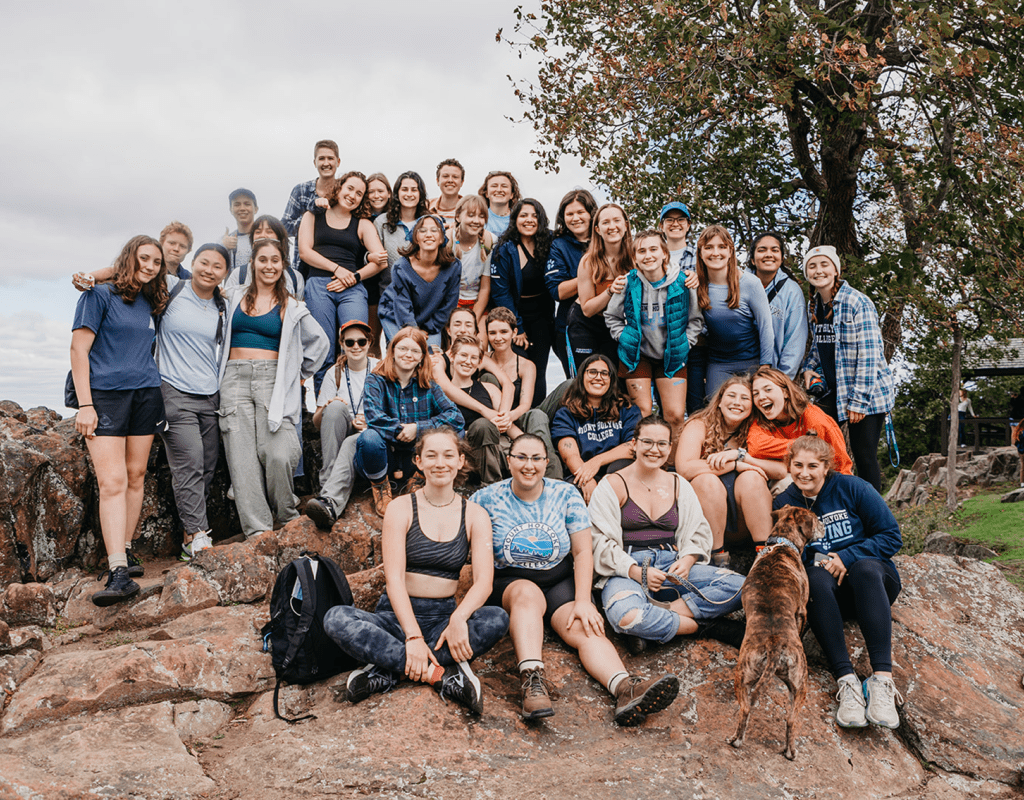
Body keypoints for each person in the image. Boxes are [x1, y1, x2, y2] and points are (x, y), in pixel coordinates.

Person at [472, 433, 680, 725]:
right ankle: (532, 682)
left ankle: (624, 687)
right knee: (527, 595)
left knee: (584, 625)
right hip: (510, 581)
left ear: (546, 462)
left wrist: (583, 600)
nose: (529, 465)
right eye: (521, 457)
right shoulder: (485, 499)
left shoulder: (565, 493)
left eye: (536, 458)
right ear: (509, 461)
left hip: (558, 579)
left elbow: (582, 552)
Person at [324, 427, 510, 715]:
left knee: (497, 618)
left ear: (460, 461)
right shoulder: (400, 508)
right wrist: (412, 637)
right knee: (336, 618)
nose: (440, 463)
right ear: (418, 461)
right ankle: (438, 674)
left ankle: (389, 668)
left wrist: (458, 618)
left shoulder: (475, 515)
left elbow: (484, 582)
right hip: (394, 619)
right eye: (431, 456)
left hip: (442, 622)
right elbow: (394, 579)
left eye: (448, 455)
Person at [73, 245, 233, 561]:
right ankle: (196, 536)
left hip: (208, 392)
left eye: (217, 266)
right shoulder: (172, 286)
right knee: (188, 461)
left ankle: (186, 535)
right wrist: (91, 276)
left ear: (225, 273)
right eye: (204, 262)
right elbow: (131, 270)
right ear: (193, 263)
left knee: (206, 464)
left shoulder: (223, 304)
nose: (209, 270)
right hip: (170, 389)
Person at [774, 434, 904, 730]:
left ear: (826, 466)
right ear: (788, 466)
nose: (804, 473)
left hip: (872, 585)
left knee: (864, 569)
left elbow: (890, 536)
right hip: (829, 595)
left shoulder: (854, 487)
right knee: (814, 579)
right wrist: (823, 562)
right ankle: (847, 682)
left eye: (812, 466)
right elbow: (790, 552)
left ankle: (882, 680)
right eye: (797, 465)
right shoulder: (785, 503)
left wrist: (847, 556)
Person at [589, 415, 746, 652]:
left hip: (673, 566)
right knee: (626, 617)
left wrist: (688, 559)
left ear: (670, 448)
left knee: (744, 587)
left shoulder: (678, 483)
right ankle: (707, 627)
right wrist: (635, 571)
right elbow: (598, 540)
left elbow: (698, 530)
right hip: (627, 568)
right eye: (647, 442)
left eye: (662, 443)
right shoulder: (613, 484)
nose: (655, 450)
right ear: (634, 444)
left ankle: (659, 617)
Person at [70, 235, 169, 605]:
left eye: (156, 261)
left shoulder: (151, 300)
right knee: (112, 482)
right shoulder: (97, 295)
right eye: (143, 258)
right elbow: (78, 349)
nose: (150, 266)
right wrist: (85, 405)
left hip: (146, 393)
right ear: (128, 258)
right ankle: (117, 573)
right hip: (105, 395)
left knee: (136, 475)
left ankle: (125, 553)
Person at [218, 238, 329, 539]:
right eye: (263, 259)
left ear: (283, 265)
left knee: (279, 453)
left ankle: (286, 515)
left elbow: (320, 343)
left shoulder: (292, 306)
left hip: (272, 380)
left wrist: (297, 374)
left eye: (275, 260)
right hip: (234, 378)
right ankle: (258, 531)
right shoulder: (232, 296)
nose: (269, 266)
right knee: (241, 459)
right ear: (252, 263)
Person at [802, 246, 895, 491]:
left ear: (836, 270)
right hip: (834, 390)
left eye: (824, 264)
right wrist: (808, 368)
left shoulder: (857, 302)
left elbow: (870, 354)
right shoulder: (815, 305)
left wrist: (859, 402)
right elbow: (819, 346)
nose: (818, 270)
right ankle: (831, 501)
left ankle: (873, 510)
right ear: (807, 273)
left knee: (864, 455)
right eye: (812, 266)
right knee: (815, 442)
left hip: (867, 393)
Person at [604, 229, 702, 443]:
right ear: (634, 258)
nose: (648, 255)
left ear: (664, 253)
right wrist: (624, 337)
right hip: (637, 355)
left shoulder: (683, 281)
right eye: (641, 251)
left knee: (675, 415)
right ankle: (642, 458)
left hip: (672, 353)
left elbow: (695, 320)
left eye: (653, 249)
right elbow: (611, 316)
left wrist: (685, 343)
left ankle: (674, 460)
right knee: (642, 412)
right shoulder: (628, 282)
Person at [357, 327, 464, 516]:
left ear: (422, 357)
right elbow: (373, 416)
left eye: (415, 351)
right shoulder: (375, 380)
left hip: (417, 457)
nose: (408, 355)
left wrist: (417, 428)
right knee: (369, 438)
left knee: (456, 433)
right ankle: (381, 487)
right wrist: (401, 430)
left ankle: (419, 479)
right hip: (385, 456)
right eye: (403, 349)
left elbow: (455, 416)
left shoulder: (429, 385)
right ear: (392, 351)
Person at [298, 171, 387, 394]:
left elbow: (381, 261)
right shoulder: (313, 215)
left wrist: (354, 277)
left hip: (351, 287)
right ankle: (324, 403)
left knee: (356, 342)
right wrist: (337, 269)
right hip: (319, 284)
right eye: (350, 189)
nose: (353, 195)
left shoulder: (363, 224)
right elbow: (305, 252)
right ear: (339, 188)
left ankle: (357, 402)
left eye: (359, 193)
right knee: (324, 347)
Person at [675, 376, 775, 567]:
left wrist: (745, 460)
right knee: (706, 480)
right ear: (719, 401)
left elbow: (780, 469)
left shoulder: (757, 430)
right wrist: (734, 465)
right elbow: (685, 468)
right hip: (707, 518)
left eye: (745, 398)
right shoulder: (699, 424)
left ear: (752, 406)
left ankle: (765, 556)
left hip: (746, 518)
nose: (737, 402)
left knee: (752, 477)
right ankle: (717, 557)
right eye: (731, 395)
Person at [304, 320, 380, 530]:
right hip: (343, 429)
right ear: (342, 344)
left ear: (369, 343)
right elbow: (317, 421)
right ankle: (328, 484)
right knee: (336, 408)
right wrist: (328, 407)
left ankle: (329, 499)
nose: (356, 346)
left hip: (372, 431)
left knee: (353, 441)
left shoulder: (380, 368)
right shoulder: (335, 372)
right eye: (350, 342)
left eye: (361, 342)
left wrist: (370, 421)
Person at [693, 225, 775, 398]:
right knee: (717, 408)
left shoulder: (750, 283)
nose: (715, 253)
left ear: (730, 251)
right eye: (709, 247)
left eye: (722, 247)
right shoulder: (695, 284)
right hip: (718, 363)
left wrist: (765, 366)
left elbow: (766, 327)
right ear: (700, 252)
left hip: (751, 362)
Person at [490, 198, 555, 405]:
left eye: (534, 216)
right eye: (523, 215)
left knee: (539, 369)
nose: (529, 220)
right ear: (515, 219)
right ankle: (512, 413)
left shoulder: (550, 242)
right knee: (516, 368)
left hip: (542, 315)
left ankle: (537, 415)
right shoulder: (504, 249)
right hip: (514, 313)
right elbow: (501, 292)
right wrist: (517, 326)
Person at [485, 307, 562, 478]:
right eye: (492, 333)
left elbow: (525, 404)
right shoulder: (482, 358)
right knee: (488, 378)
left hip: (516, 415)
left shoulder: (527, 365)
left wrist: (508, 417)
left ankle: (551, 474)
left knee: (537, 415)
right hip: (491, 417)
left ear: (514, 333)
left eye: (503, 332)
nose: (498, 338)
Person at [552, 354, 641, 502]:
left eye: (605, 373)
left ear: (611, 379)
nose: (598, 377)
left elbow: (633, 446)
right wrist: (586, 479)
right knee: (571, 492)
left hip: (618, 474)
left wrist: (597, 461)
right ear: (582, 377)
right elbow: (569, 454)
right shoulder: (566, 414)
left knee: (619, 472)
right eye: (592, 372)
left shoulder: (627, 409)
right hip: (581, 474)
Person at [748, 365, 853, 482]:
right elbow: (755, 448)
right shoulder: (761, 421)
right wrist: (809, 446)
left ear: (786, 393)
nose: (761, 397)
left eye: (768, 390)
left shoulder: (815, 419)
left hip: (822, 481)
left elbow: (841, 465)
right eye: (755, 394)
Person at [567, 203, 633, 374]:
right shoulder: (589, 261)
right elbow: (587, 309)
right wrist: (610, 290)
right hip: (586, 323)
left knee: (613, 377)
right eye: (605, 222)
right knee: (588, 376)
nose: (612, 226)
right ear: (597, 229)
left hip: (616, 324)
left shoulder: (635, 258)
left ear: (626, 225)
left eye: (617, 220)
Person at [379, 215, 462, 349]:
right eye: (422, 231)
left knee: (431, 354)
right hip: (395, 316)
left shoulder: (454, 266)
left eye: (434, 230)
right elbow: (402, 305)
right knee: (405, 350)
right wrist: (413, 331)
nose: (428, 234)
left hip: (430, 321)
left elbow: (449, 305)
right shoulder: (401, 267)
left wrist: (429, 328)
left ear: (442, 238)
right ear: (415, 238)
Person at [659, 202, 707, 414]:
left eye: (680, 219)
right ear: (662, 226)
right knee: (668, 409)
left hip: (695, 342)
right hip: (662, 343)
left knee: (697, 405)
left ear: (688, 225)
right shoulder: (653, 256)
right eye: (669, 219)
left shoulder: (701, 257)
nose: (675, 224)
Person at [545, 189, 597, 378]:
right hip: (570, 327)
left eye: (580, 212)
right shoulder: (559, 245)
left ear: (591, 214)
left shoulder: (605, 240)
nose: (575, 218)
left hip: (608, 325)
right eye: (570, 214)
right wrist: (591, 276)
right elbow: (558, 291)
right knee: (579, 383)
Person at [746, 231, 808, 380]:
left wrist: (780, 381)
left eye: (774, 250)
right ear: (753, 259)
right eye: (762, 250)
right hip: (736, 371)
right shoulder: (738, 284)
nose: (769, 254)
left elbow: (795, 342)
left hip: (772, 375)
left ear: (781, 258)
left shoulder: (791, 291)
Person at [281, 139, 341, 265]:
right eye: (321, 158)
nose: (326, 163)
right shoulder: (301, 190)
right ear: (315, 162)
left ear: (338, 162)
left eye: (330, 158)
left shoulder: (344, 192)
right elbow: (284, 227)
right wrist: (312, 216)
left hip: (337, 262)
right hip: (304, 265)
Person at [222, 215, 304, 297]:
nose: (263, 235)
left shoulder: (295, 278)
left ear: (280, 239)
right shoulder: (239, 274)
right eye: (258, 232)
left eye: (269, 232)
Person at [451, 195, 494, 333]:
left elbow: (485, 288)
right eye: (470, 215)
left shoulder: (489, 242)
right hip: (452, 302)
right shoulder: (448, 241)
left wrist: (472, 321)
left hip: (477, 303)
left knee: (479, 341)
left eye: (481, 216)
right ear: (458, 217)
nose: (476, 221)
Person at [364, 173, 392, 358]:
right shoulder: (361, 217)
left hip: (389, 282)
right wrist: (368, 257)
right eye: (371, 192)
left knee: (388, 338)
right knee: (370, 339)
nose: (376, 196)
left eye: (380, 191)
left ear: (389, 193)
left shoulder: (394, 217)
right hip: (369, 282)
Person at [221, 188, 258, 274]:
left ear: (256, 209)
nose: (242, 208)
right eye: (237, 204)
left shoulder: (266, 237)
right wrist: (222, 246)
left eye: (247, 204)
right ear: (231, 209)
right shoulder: (226, 240)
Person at [478, 170, 522, 237]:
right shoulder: (478, 218)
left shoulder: (519, 220)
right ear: (486, 193)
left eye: (504, 186)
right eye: (494, 186)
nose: (499, 190)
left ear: (512, 194)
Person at [428, 158, 465, 232]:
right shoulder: (426, 207)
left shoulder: (471, 209)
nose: (450, 180)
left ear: (462, 182)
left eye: (455, 177)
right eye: (445, 176)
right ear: (437, 181)